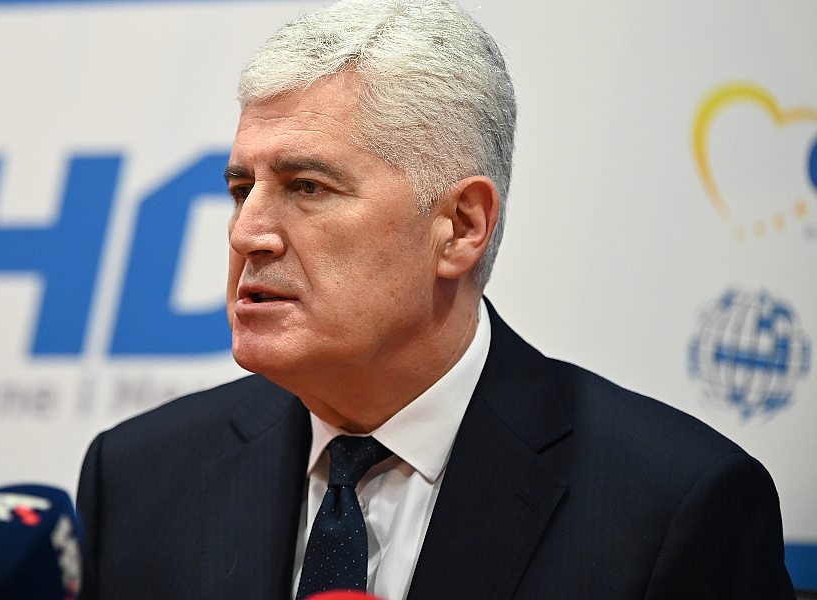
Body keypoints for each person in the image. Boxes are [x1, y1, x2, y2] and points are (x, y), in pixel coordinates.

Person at [75, 0, 795, 598]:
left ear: (460, 227)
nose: (246, 233)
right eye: (242, 189)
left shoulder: (673, 505)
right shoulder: (136, 479)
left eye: (307, 187)